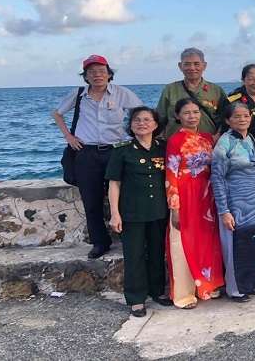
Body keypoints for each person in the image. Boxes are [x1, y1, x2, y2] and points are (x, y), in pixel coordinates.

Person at [52, 54, 143, 259]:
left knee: (125, 198)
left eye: (101, 71)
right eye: (91, 72)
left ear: (109, 74)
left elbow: (141, 113)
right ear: (85, 76)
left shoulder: (121, 93)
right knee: (91, 200)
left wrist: (135, 138)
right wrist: (68, 136)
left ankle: (130, 238)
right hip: (87, 153)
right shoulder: (78, 95)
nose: (97, 75)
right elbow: (57, 113)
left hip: (116, 151)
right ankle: (100, 242)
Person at [211, 102, 255, 301]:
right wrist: (224, 211)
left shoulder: (249, 138)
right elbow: (217, 178)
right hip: (236, 202)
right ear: (228, 120)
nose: (242, 119)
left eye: (246, 115)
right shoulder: (224, 143)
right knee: (237, 246)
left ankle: (250, 283)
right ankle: (236, 289)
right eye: (237, 116)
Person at [107, 107, 172, 316]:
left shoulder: (163, 148)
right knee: (134, 255)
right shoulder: (122, 150)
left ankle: (157, 291)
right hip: (132, 212)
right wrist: (115, 214)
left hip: (158, 210)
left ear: (155, 124)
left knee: (156, 253)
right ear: (130, 125)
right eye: (137, 120)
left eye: (146, 120)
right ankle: (136, 298)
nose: (141, 123)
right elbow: (114, 183)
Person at [165, 98, 224, 308]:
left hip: (206, 194)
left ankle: (208, 284)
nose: (192, 116)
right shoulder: (175, 140)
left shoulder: (207, 138)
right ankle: (184, 293)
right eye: (187, 113)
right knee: (183, 240)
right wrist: (175, 207)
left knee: (207, 239)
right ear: (178, 116)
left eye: (196, 112)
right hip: (185, 194)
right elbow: (171, 174)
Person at [156, 47, 228, 139]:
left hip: (208, 143)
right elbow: (159, 119)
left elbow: (227, 118)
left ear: (204, 65)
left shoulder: (216, 90)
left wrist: (217, 136)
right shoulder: (170, 90)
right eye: (187, 64)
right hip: (176, 144)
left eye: (196, 64)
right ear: (180, 66)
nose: (192, 68)